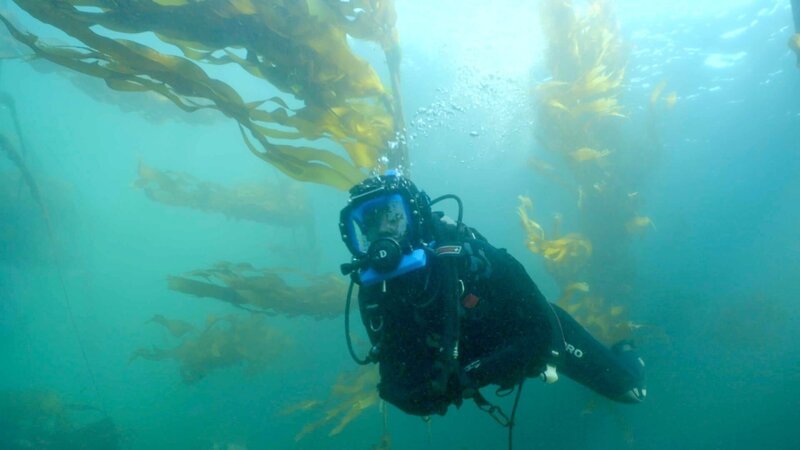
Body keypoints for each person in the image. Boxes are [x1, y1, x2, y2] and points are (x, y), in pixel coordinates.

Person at [338, 171, 646, 418]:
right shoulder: (376, 292)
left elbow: (540, 331)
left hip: (538, 334)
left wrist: (464, 379)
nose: (383, 233)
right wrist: (434, 390)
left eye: (393, 216)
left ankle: (628, 351)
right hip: (480, 361)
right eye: (368, 224)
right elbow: (396, 383)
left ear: (415, 214)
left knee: (629, 391)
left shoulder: (464, 256)